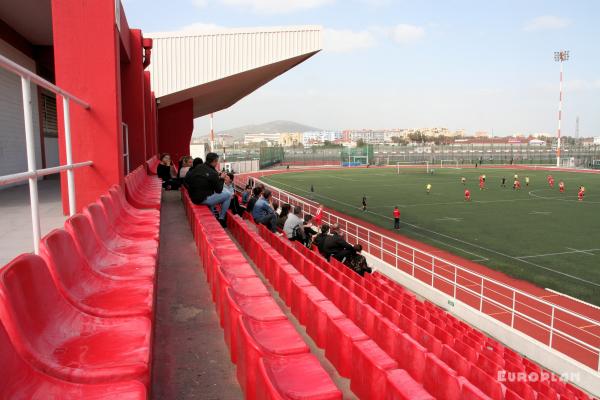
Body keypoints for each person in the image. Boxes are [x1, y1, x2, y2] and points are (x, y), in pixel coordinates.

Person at [185, 152, 230, 226]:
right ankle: (222, 218)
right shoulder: (213, 173)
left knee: (222, 191)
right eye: (217, 161)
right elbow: (218, 190)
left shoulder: (199, 166)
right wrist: (221, 178)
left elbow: (188, 180)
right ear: (214, 161)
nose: (217, 163)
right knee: (228, 194)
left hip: (193, 196)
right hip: (202, 199)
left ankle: (213, 212)